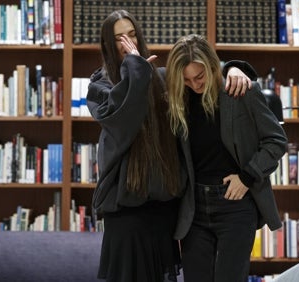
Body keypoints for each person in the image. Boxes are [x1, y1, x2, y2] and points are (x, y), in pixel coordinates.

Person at [86, 10, 255, 282]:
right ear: (107, 44)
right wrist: (135, 68)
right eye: (119, 38)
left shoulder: (161, 78)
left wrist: (235, 68)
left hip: (165, 208)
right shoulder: (99, 88)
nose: (128, 42)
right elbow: (124, 119)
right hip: (127, 210)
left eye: (131, 34)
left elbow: (201, 74)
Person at [165, 34, 288, 282]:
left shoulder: (241, 91)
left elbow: (276, 141)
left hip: (236, 204)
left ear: (212, 66)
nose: (195, 85)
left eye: (199, 77)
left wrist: (247, 176)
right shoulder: (180, 98)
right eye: (186, 80)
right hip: (194, 209)